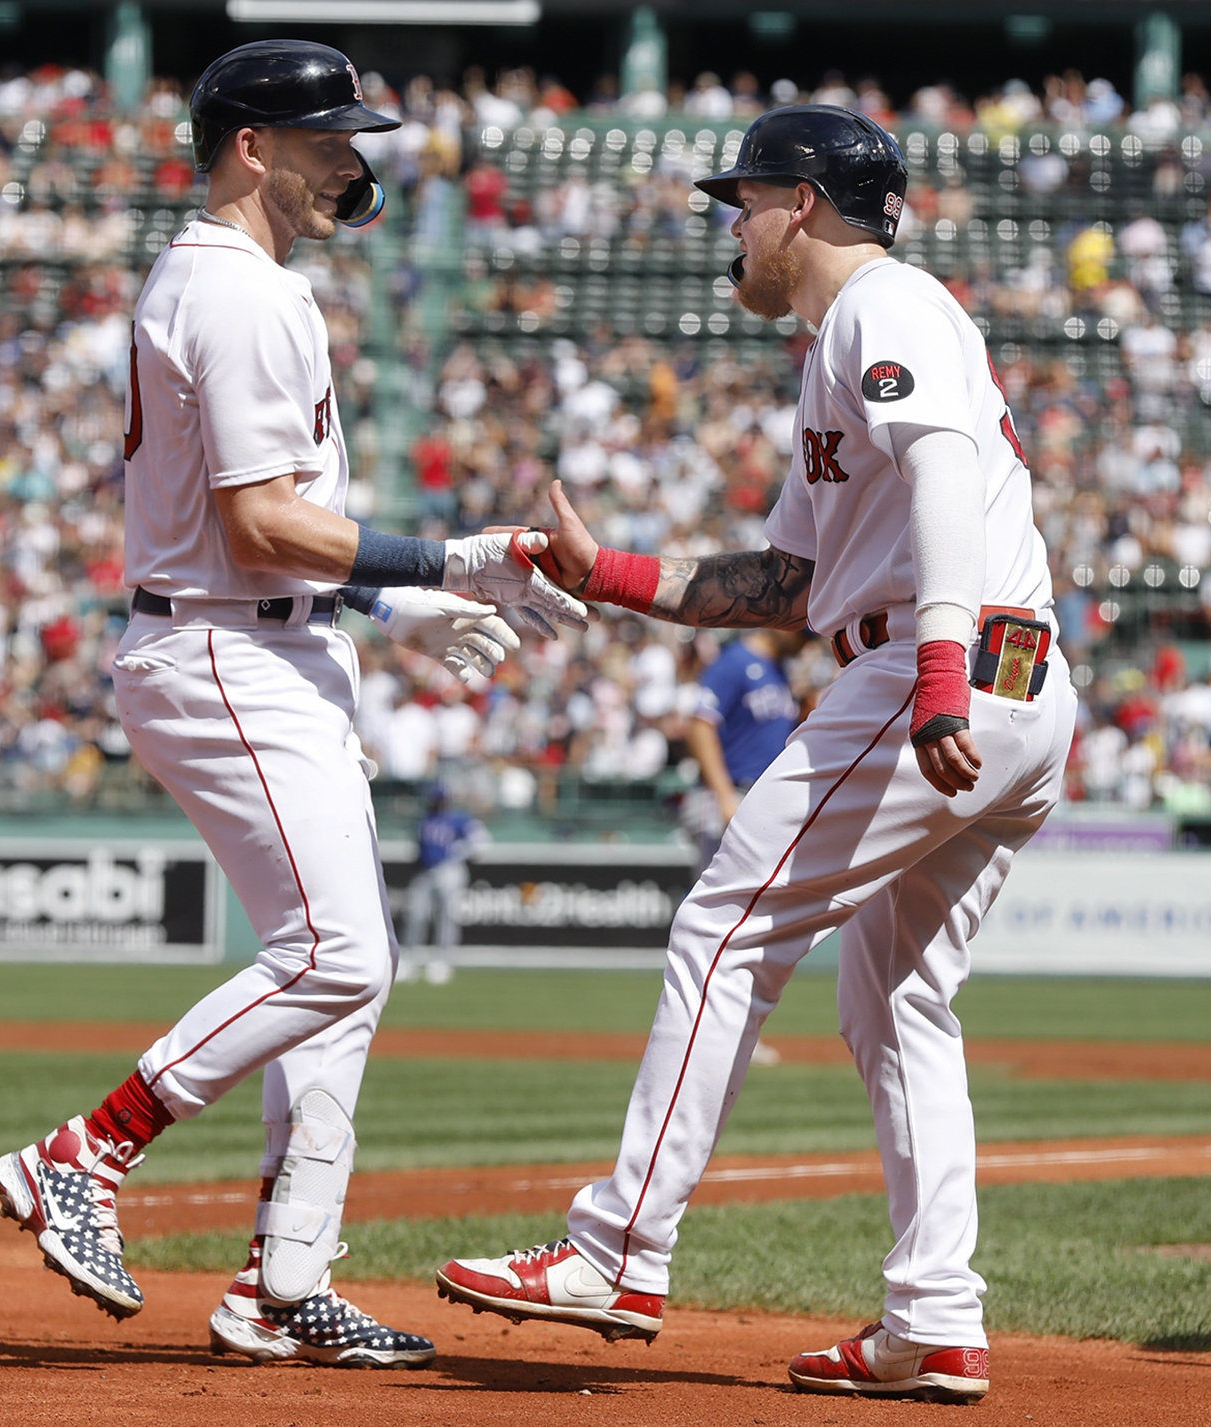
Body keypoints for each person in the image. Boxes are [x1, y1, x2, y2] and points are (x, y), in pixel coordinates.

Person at [435, 104, 1076, 1403]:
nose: (733, 226)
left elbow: (946, 471)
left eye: (743, 202)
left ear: (800, 202)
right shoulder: (850, 342)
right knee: (895, 1000)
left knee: (721, 927)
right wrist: (606, 571)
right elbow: (787, 578)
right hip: (1014, 669)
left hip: (938, 663)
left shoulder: (879, 307)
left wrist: (938, 671)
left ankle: (617, 1246)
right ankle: (935, 1318)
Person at [0, 38, 586, 1369]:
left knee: (341, 974)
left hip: (271, 637)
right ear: (251, 144)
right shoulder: (242, 293)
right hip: (225, 648)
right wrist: (447, 558)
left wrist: (399, 603)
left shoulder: (243, 282)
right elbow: (260, 524)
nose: (351, 160)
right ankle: (88, 1149)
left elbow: (273, 523)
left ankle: (281, 1280)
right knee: (341, 955)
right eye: (327, 137)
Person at [683, 628, 809, 870]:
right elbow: (701, 725)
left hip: (763, 799)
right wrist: (724, 796)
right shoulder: (735, 660)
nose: (804, 644)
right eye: (802, 635)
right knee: (716, 899)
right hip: (731, 791)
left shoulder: (778, 669)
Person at [402, 783, 488, 952]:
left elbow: (481, 842)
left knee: (446, 916)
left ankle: (442, 959)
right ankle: (408, 957)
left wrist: (458, 852)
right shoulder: (425, 819)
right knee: (415, 914)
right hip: (425, 870)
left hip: (448, 870)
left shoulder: (458, 819)